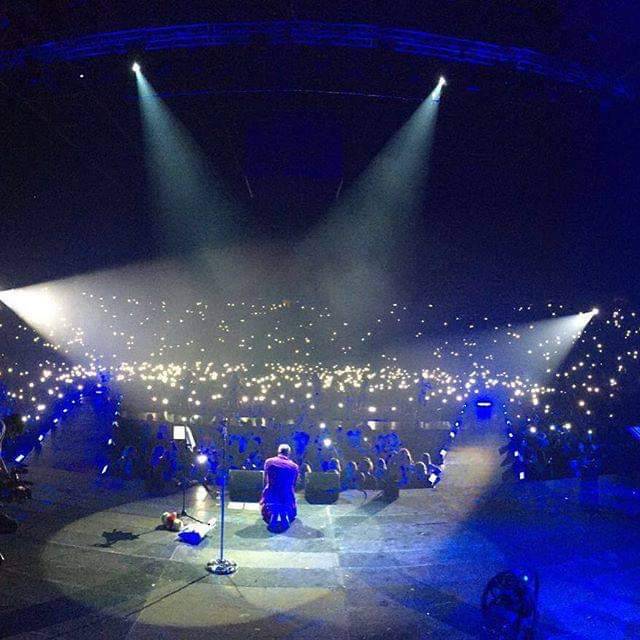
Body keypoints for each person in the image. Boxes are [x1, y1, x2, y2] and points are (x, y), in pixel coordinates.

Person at [260, 443, 299, 532]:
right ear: (288, 453)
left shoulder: (269, 462)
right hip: (286, 496)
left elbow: (265, 479)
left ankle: (274, 517)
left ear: (278, 452)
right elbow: (294, 483)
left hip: (272, 495)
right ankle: (283, 517)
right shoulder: (294, 466)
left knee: (272, 499)